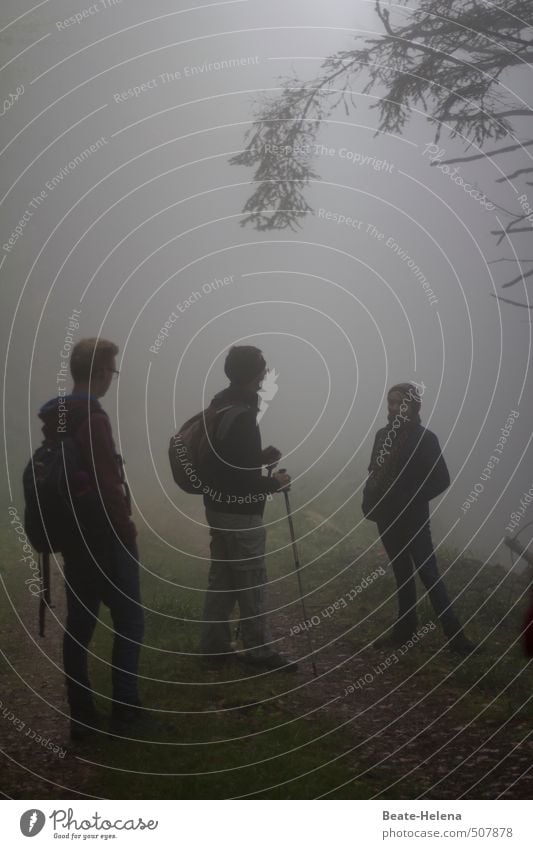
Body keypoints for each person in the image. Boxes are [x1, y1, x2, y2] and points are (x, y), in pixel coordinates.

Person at [39, 338, 146, 740]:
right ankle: (126, 708)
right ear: (100, 373)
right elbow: (105, 485)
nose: (111, 380)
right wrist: (127, 531)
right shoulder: (94, 418)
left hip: (74, 537)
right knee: (131, 621)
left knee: (80, 625)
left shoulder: (60, 414)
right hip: (105, 537)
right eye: (112, 372)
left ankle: (82, 718)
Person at [200, 345, 297, 671]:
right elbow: (241, 482)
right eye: (262, 369)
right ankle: (260, 652)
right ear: (254, 375)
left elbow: (228, 465)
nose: (264, 375)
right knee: (251, 582)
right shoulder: (242, 417)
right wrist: (276, 482)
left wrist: (257, 458)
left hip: (216, 507)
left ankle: (213, 647)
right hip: (240, 514)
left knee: (223, 578)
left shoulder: (220, 405)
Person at [362, 382, 475, 655]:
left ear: (413, 406)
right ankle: (404, 631)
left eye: (400, 402)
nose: (393, 408)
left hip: (413, 518)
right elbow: (374, 471)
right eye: (390, 402)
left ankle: (456, 637)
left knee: (428, 573)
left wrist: (410, 496)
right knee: (402, 573)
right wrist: (369, 500)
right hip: (386, 517)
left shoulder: (425, 439)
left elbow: (442, 479)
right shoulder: (382, 435)